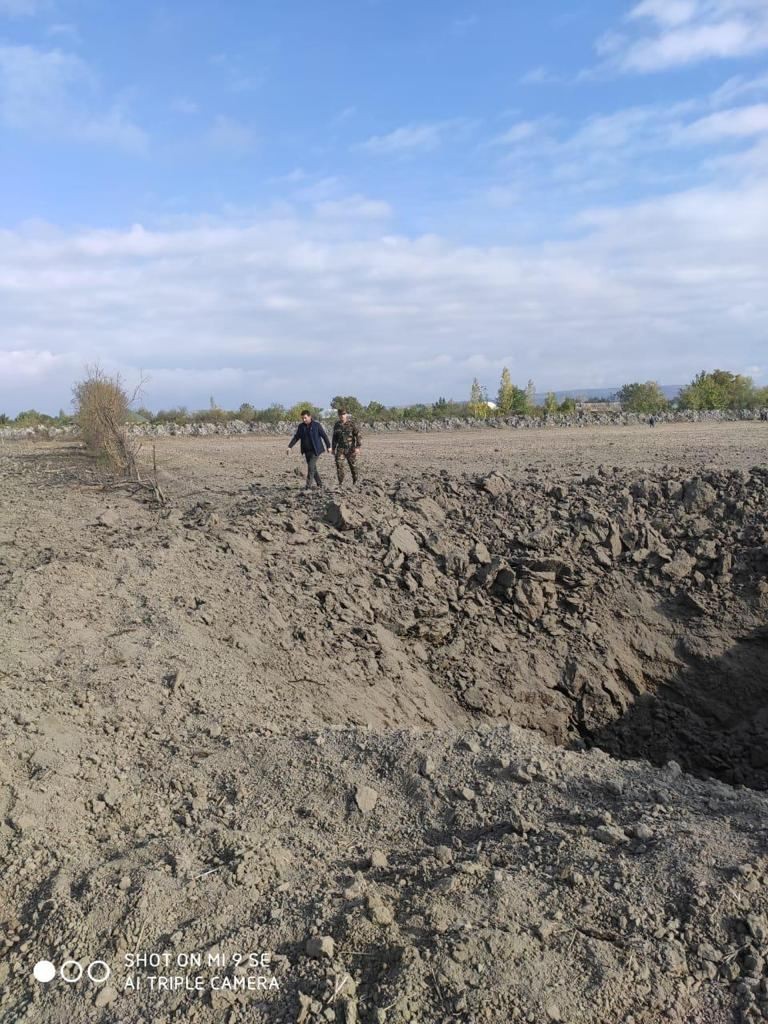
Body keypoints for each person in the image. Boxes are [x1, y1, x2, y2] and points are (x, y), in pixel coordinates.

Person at [287, 410, 332, 489]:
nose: (304, 420)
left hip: (316, 450)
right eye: (302, 418)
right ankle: (320, 484)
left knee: (310, 468)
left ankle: (308, 486)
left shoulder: (316, 425)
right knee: (313, 468)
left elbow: (324, 436)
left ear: (310, 417)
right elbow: (296, 437)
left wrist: (328, 446)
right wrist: (289, 446)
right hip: (306, 451)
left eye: (305, 418)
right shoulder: (301, 426)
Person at [331, 407, 361, 485]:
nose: (342, 416)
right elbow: (334, 437)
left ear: (346, 414)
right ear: (338, 415)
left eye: (343, 414)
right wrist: (333, 448)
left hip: (350, 449)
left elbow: (358, 435)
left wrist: (358, 447)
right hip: (340, 449)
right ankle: (340, 483)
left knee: (353, 466)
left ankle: (355, 481)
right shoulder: (337, 425)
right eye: (340, 414)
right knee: (339, 466)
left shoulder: (352, 424)